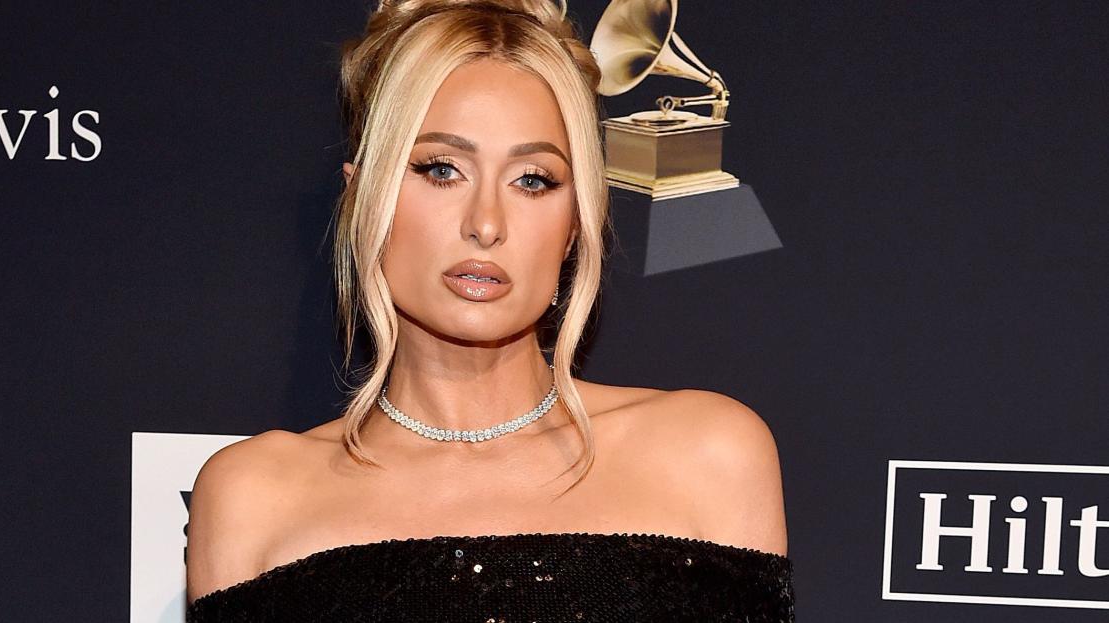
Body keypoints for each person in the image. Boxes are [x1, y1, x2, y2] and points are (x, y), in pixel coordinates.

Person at [184, 0, 793, 620]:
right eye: (441, 169)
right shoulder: (252, 498)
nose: (486, 224)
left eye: (533, 180)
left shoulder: (707, 455)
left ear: (577, 223)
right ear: (363, 199)